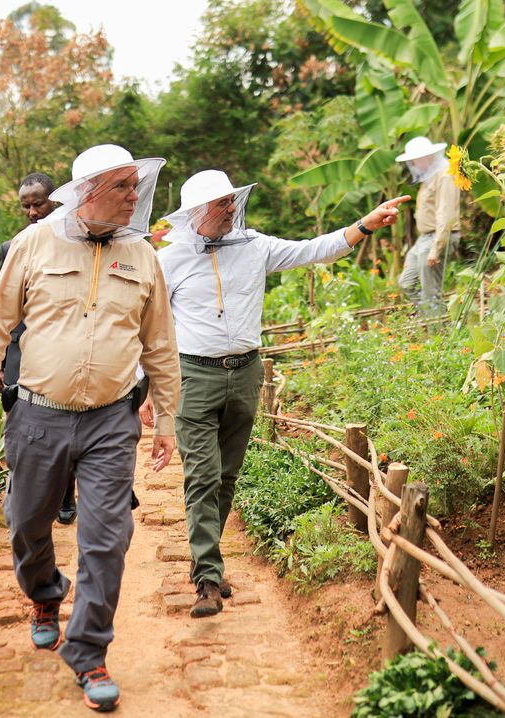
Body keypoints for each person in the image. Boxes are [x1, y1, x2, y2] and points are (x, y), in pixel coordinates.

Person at [0, 144, 181, 712]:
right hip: (37, 415)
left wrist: (167, 420)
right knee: (26, 521)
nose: (137, 198)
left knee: (108, 538)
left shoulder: (142, 255)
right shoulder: (34, 243)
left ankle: (88, 651)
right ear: (88, 191)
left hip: (113, 419)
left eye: (137, 186)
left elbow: (160, 342)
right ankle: (43, 595)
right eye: (124, 188)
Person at [140, 169, 408, 618]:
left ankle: (206, 559)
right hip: (192, 377)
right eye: (222, 204)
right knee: (202, 476)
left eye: (231, 201)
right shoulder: (168, 261)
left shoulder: (254, 246)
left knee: (225, 476)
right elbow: (151, 326)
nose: (231, 209)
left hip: (245, 374)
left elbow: (314, 250)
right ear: (197, 213)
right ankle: (207, 577)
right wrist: (150, 387)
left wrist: (364, 225)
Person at [0, 172, 77, 525]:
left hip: (60, 348)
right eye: (25, 206)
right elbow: (2, 310)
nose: (31, 212)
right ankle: (28, 499)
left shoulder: (76, 243)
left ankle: (64, 493)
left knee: (62, 419)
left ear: (55, 201)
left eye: (38, 204)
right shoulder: (10, 248)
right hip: (21, 350)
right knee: (20, 422)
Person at [394, 136, 460, 319]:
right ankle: (433, 320)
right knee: (407, 283)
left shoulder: (445, 175)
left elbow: (446, 214)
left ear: (426, 157)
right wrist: (413, 252)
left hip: (438, 236)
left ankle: (441, 335)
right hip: (425, 238)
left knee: (431, 292)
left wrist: (436, 248)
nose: (413, 163)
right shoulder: (429, 176)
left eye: (414, 159)